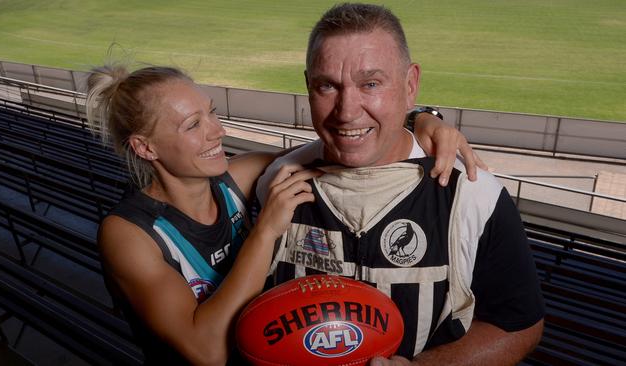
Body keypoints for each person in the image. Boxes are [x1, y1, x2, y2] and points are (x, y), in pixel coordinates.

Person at [85, 64, 482, 365]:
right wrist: (265, 231)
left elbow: (344, 145)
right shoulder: (129, 234)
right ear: (145, 148)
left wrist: (418, 119)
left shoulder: (234, 179)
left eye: (211, 113)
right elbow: (206, 350)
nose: (217, 131)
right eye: (193, 125)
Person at [255, 3, 545, 365]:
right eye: (327, 85)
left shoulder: (473, 195)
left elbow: (519, 324)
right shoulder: (277, 181)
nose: (347, 111)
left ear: (410, 86)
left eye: (371, 83)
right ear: (308, 88)